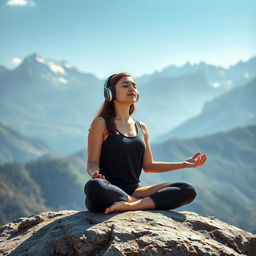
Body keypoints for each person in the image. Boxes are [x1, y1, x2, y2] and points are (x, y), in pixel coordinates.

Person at [84, 72, 207, 215]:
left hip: (135, 190)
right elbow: (92, 163)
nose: (131, 88)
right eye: (125, 85)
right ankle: (137, 203)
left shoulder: (141, 127)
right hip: (107, 191)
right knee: (93, 186)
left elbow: (148, 166)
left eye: (134, 86)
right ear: (110, 93)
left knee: (187, 189)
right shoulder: (101, 123)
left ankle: (130, 205)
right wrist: (94, 173)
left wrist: (183, 164)